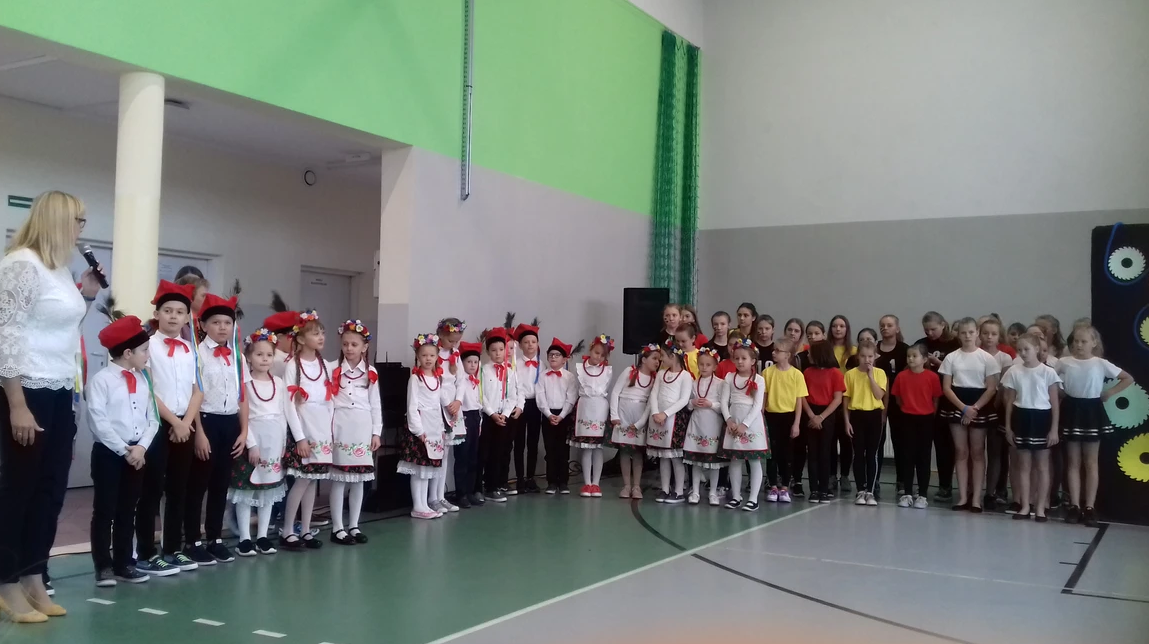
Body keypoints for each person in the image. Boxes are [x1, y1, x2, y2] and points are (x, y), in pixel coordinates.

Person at [0, 191, 101, 622]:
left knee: (51, 488)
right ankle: (6, 581)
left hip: (60, 389)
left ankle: (33, 576)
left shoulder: (59, 269)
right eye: (78, 221)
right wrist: (17, 404)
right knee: (19, 489)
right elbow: (6, 333)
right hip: (27, 389)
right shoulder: (21, 264)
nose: (82, 230)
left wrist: (87, 296)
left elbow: (57, 328)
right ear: (58, 221)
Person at [136, 280, 201, 578]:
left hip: (184, 424)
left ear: (187, 317)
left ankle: (173, 549)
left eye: (179, 312)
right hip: (158, 423)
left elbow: (197, 389)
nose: (173, 316)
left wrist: (186, 422)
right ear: (157, 314)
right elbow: (149, 388)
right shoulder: (148, 346)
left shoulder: (190, 348)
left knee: (179, 488)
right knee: (151, 490)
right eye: (168, 311)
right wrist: (174, 422)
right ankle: (146, 553)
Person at [88, 316, 158, 587]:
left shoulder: (143, 379)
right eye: (144, 351)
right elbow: (98, 421)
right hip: (109, 453)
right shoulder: (102, 380)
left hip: (137, 453)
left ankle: (124, 562)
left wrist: (141, 447)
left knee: (128, 509)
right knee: (105, 510)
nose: (147, 356)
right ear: (128, 353)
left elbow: (153, 418)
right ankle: (103, 566)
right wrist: (123, 450)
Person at [187, 293, 249, 563]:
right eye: (216, 322)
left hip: (229, 423)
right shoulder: (196, 355)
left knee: (221, 484)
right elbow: (193, 396)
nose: (223, 327)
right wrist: (199, 433)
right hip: (206, 421)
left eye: (227, 322)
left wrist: (244, 431)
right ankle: (192, 540)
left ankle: (215, 538)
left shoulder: (238, 357)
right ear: (203, 325)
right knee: (198, 485)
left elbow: (242, 396)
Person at [1057, 327, 1133, 526]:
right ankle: (1074, 505)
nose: (1079, 345)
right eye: (1076, 341)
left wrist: (1109, 392)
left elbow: (1127, 378)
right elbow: (1049, 378)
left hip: (1092, 410)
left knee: (1091, 462)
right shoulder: (1064, 362)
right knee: (1073, 461)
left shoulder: (1100, 363)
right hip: (1072, 409)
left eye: (1083, 341)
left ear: (1093, 343)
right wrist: (1060, 390)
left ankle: (1089, 506)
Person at [229, 329, 296, 555]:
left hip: (274, 443)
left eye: (269, 355)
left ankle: (263, 536)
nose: (264, 359)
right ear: (249, 357)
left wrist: (284, 443)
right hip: (253, 442)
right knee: (247, 492)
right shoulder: (245, 384)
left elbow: (284, 414)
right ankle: (244, 539)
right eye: (259, 354)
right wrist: (251, 444)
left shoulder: (279, 382)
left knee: (268, 491)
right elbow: (243, 417)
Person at [280, 310, 332, 549]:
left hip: (321, 428)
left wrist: (329, 429)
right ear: (300, 339)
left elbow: (329, 399)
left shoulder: (325, 365)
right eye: (315, 333)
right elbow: (289, 404)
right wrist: (300, 437)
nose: (321, 337)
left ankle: (306, 528)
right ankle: (288, 530)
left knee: (313, 481)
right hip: (304, 428)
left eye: (322, 332)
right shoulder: (293, 365)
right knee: (302, 480)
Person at [328, 320, 383, 543]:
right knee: (339, 479)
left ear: (364, 347)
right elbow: (328, 402)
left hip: (362, 426)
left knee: (359, 479)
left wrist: (376, 432)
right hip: (340, 426)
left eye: (354, 344)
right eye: (345, 344)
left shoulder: (371, 372)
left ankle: (354, 525)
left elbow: (375, 404)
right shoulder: (333, 368)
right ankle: (337, 527)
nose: (349, 348)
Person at [939, 318, 1000, 512]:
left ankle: (976, 498)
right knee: (961, 451)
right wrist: (964, 408)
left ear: (977, 333)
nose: (967, 336)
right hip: (957, 402)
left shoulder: (986, 358)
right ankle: (963, 496)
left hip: (979, 404)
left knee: (977, 452)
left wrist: (974, 408)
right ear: (958, 335)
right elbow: (946, 387)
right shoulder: (951, 357)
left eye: (971, 332)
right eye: (963, 333)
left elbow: (991, 388)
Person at [1002, 334, 1062, 522]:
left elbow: (1055, 404)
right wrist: (1008, 427)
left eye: (1026, 349)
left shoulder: (1048, 372)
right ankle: (1025, 505)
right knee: (1024, 466)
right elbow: (1009, 402)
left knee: (1042, 466)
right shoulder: (1013, 371)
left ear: (1037, 349)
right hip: (1022, 417)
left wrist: (1054, 429)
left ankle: (1040, 507)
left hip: (1042, 418)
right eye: (1019, 350)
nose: (1022, 353)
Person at [400, 333, 449, 519]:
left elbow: (437, 405)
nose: (428, 359)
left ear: (437, 357)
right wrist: (418, 430)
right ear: (418, 357)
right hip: (421, 429)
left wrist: (442, 428)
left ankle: (425, 504)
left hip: (434, 426)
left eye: (432, 355)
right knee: (419, 469)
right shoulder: (415, 379)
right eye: (424, 355)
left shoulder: (437, 378)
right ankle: (417, 505)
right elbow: (411, 406)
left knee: (428, 469)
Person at [915, 311, 960, 503]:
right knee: (923, 446)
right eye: (926, 330)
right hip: (924, 401)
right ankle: (919, 486)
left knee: (945, 447)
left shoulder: (954, 344)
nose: (930, 333)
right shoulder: (921, 344)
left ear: (943, 324)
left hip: (948, 400)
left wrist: (938, 363)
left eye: (933, 329)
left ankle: (945, 485)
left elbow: (960, 371)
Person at [890, 344, 942, 509]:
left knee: (923, 457)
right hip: (907, 419)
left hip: (926, 419)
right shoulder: (901, 376)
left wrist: (929, 413)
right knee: (907, 456)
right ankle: (907, 493)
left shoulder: (932, 377)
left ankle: (923, 495)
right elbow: (898, 398)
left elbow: (936, 399)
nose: (911, 359)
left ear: (924, 359)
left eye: (914, 356)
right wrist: (908, 409)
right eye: (909, 356)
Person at [719, 338, 768, 511]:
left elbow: (757, 405)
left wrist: (745, 425)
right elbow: (724, 401)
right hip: (733, 422)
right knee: (735, 460)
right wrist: (729, 420)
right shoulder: (729, 377)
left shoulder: (759, 380)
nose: (740, 361)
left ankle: (753, 499)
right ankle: (736, 496)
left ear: (753, 361)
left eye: (744, 358)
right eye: (737, 358)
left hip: (751, 424)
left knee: (754, 461)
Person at [478, 328, 522, 502]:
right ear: (488, 352)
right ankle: (485, 487)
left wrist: (504, 414)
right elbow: (481, 395)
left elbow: (512, 396)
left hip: (503, 418)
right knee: (486, 453)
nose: (498, 353)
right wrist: (492, 413)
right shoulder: (483, 370)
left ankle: (496, 486)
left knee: (500, 452)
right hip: (489, 417)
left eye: (501, 350)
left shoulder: (509, 371)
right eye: (494, 350)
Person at [610, 344, 659, 499]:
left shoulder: (655, 379)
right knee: (625, 451)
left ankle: (636, 486)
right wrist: (614, 415)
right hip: (623, 415)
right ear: (643, 359)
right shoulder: (629, 371)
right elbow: (615, 392)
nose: (657, 362)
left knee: (638, 452)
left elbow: (650, 403)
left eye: (659, 359)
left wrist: (641, 422)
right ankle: (626, 486)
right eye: (654, 358)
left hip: (639, 417)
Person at [844, 340, 888, 506]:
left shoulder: (880, 373)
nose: (867, 360)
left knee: (872, 454)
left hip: (874, 415)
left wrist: (870, 376)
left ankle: (870, 490)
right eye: (863, 356)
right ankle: (860, 490)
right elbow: (846, 400)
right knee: (858, 454)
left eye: (870, 356)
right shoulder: (850, 374)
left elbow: (878, 395)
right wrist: (847, 421)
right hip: (857, 416)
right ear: (858, 356)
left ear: (875, 357)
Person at [762, 341, 807, 503]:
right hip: (771, 416)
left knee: (787, 454)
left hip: (789, 417)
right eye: (773, 350)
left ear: (787, 355)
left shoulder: (797, 375)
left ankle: (785, 487)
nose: (773, 353)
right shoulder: (767, 373)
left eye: (778, 351)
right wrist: (761, 416)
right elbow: (764, 396)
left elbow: (799, 401)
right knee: (772, 454)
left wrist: (796, 423)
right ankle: (773, 486)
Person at [800, 341, 845, 503]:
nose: (808, 355)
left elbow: (838, 399)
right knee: (812, 453)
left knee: (825, 452)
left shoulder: (835, 373)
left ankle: (824, 489)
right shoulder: (807, 372)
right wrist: (812, 415)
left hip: (827, 414)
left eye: (810, 352)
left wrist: (821, 417)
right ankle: (814, 489)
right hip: (810, 412)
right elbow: (802, 396)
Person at [648, 345, 693, 504]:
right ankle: (665, 488)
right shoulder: (661, 374)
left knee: (675, 457)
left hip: (675, 419)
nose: (661, 359)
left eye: (663, 356)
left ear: (673, 357)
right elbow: (654, 394)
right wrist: (655, 412)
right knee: (663, 457)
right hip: (658, 419)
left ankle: (679, 491)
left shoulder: (685, 376)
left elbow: (684, 399)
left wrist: (665, 414)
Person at [570, 335, 613, 498]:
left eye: (602, 355)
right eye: (596, 353)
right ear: (590, 349)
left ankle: (596, 483)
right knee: (586, 447)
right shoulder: (579, 368)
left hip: (600, 409)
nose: (599, 357)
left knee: (598, 447)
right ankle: (587, 482)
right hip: (585, 407)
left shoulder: (607, 370)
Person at [536, 338, 577, 495]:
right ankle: (551, 482)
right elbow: (540, 396)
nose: (553, 357)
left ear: (564, 359)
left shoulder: (569, 377)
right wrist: (548, 414)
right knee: (550, 449)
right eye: (551, 355)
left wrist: (562, 415)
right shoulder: (542, 376)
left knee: (563, 450)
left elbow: (571, 397)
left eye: (557, 355)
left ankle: (563, 482)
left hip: (564, 415)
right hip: (548, 416)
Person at [979, 318, 1014, 507]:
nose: (989, 337)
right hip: (977, 405)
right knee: (976, 451)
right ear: (980, 334)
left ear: (999, 336)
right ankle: (973, 489)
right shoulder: (974, 354)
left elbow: (1004, 385)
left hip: (996, 407)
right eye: (985, 333)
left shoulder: (1005, 358)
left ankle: (992, 492)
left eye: (993, 334)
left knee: (996, 452)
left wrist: (995, 404)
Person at [685, 347, 726, 505]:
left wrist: (711, 404)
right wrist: (692, 403)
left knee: (714, 464)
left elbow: (724, 406)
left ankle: (713, 492)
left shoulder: (720, 384)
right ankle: (695, 491)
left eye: (708, 365)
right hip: (697, 424)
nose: (704, 367)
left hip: (713, 424)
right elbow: (687, 404)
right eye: (701, 364)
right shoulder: (693, 383)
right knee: (696, 461)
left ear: (715, 366)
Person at [875, 315, 908, 496]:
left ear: (897, 328)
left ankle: (902, 480)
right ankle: (875, 479)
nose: (885, 328)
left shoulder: (904, 350)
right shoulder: (874, 349)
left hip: (898, 401)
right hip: (877, 399)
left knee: (900, 441)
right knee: (877, 441)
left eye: (889, 325)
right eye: (882, 325)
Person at [511, 323, 543, 494]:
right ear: (520, 345)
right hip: (519, 405)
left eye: (533, 341)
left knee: (533, 442)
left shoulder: (542, 364)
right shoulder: (515, 364)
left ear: (538, 344)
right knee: (519, 443)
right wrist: (519, 405)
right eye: (526, 342)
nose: (530, 345)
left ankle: (531, 477)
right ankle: (519, 479)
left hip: (536, 405)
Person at [452, 342, 483, 507]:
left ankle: (470, 492)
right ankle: (461, 493)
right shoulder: (460, 380)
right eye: (469, 362)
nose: (472, 365)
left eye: (475, 362)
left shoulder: (476, 380)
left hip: (475, 418)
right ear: (462, 363)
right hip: (462, 418)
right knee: (462, 457)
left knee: (473, 457)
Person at [827, 315, 856, 494]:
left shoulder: (853, 351)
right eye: (835, 326)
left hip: (848, 400)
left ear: (847, 329)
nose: (838, 329)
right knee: (830, 441)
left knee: (846, 441)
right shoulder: (826, 349)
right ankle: (831, 475)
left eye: (842, 326)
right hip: (829, 400)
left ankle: (844, 475)